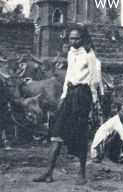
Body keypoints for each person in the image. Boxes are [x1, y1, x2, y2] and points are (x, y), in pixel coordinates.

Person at [33, 26, 102, 184]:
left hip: (82, 97)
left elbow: (95, 79)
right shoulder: (70, 53)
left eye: (76, 38)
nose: (74, 41)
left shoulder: (89, 55)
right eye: (71, 38)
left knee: (80, 134)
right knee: (56, 132)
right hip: (70, 95)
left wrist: (93, 101)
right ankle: (48, 173)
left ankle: (82, 174)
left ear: (82, 38)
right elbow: (68, 76)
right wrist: (63, 97)